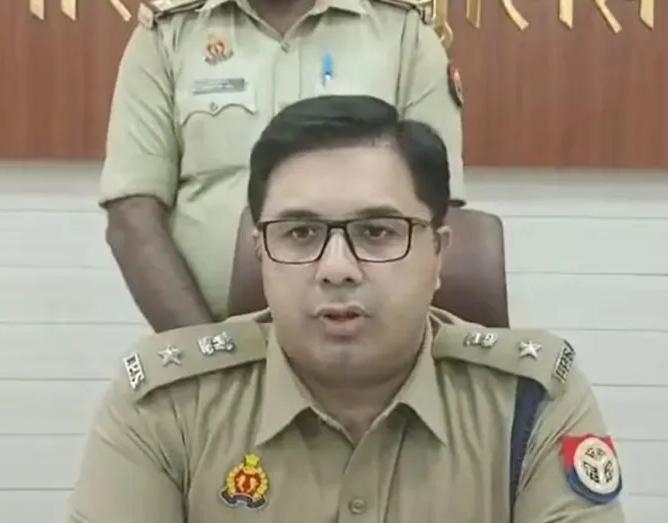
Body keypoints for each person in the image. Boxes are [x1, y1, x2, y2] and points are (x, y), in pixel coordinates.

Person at [69, 95, 624, 523]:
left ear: (438, 255)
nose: (336, 268)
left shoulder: (531, 401)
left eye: (377, 231)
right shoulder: (167, 405)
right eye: (300, 233)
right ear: (261, 253)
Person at [99, 0, 466, 331]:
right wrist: (205, 354)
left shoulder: (402, 30)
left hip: (368, 336)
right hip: (208, 329)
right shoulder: (168, 32)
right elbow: (132, 214)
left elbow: (437, 206)